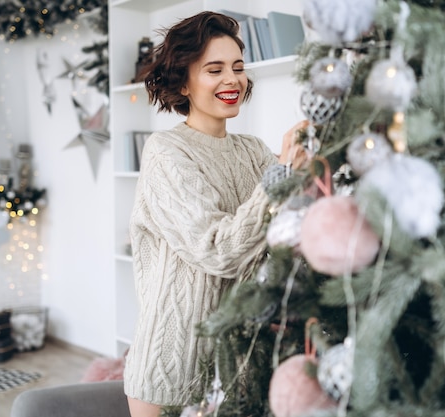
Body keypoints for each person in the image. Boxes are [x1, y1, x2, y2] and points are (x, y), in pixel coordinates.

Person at [123, 11, 308, 417]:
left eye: (238, 68)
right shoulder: (166, 151)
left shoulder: (253, 150)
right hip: (172, 369)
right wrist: (283, 173)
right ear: (184, 82)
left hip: (241, 366)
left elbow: (279, 227)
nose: (233, 80)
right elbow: (218, 251)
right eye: (215, 69)